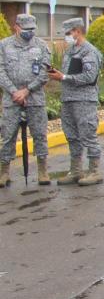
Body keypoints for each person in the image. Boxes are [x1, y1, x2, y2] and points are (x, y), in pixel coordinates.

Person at [49, 18, 104, 186]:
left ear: (77, 32)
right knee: (72, 136)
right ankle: (76, 170)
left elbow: (89, 76)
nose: (66, 36)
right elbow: (68, 73)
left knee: (88, 134)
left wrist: (64, 77)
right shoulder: (71, 51)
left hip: (84, 100)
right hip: (68, 98)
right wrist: (58, 75)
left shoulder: (89, 52)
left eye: (68, 33)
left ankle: (94, 171)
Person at [0, 13, 52, 187]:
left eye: (32, 29)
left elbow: (46, 73)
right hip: (11, 99)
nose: (29, 32)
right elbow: (0, 71)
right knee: (8, 136)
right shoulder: (4, 45)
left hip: (34, 98)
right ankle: (4, 172)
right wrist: (15, 92)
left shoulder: (41, 45)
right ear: (16, 27)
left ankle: (43, 171)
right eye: (26, 29)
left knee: (39, 135)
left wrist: (27, 90)